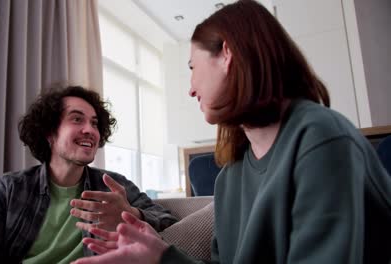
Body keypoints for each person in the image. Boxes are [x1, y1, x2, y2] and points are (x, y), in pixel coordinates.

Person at [71, 1, 391, 263]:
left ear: (227, 54)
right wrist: (159, 254)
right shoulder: (230, 179)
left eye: (192, 68)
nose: (191, 90)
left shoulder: (321, 140)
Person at [0, 85, 178, 263]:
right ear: (49, 131)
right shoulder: (8, 190)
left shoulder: (112, 185)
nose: (90, 130)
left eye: (95, 123)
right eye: (77, 119)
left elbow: (168, 221)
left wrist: (131, 213)